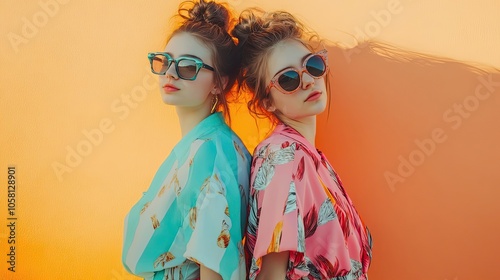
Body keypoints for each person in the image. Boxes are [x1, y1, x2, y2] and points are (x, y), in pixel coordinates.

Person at [232, 9, 373, 280]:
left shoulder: (310, 157)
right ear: (267, 102)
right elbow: (271, 274)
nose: (308, 80)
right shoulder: (283, 156)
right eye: (288, 79)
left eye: (313, 65)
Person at [122, 1, 250, 279]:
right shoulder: (211, 144)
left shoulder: (209, 153)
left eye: (188, 66)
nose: (170, 73)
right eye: (165, 61)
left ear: (219, 83)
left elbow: (214, 261)